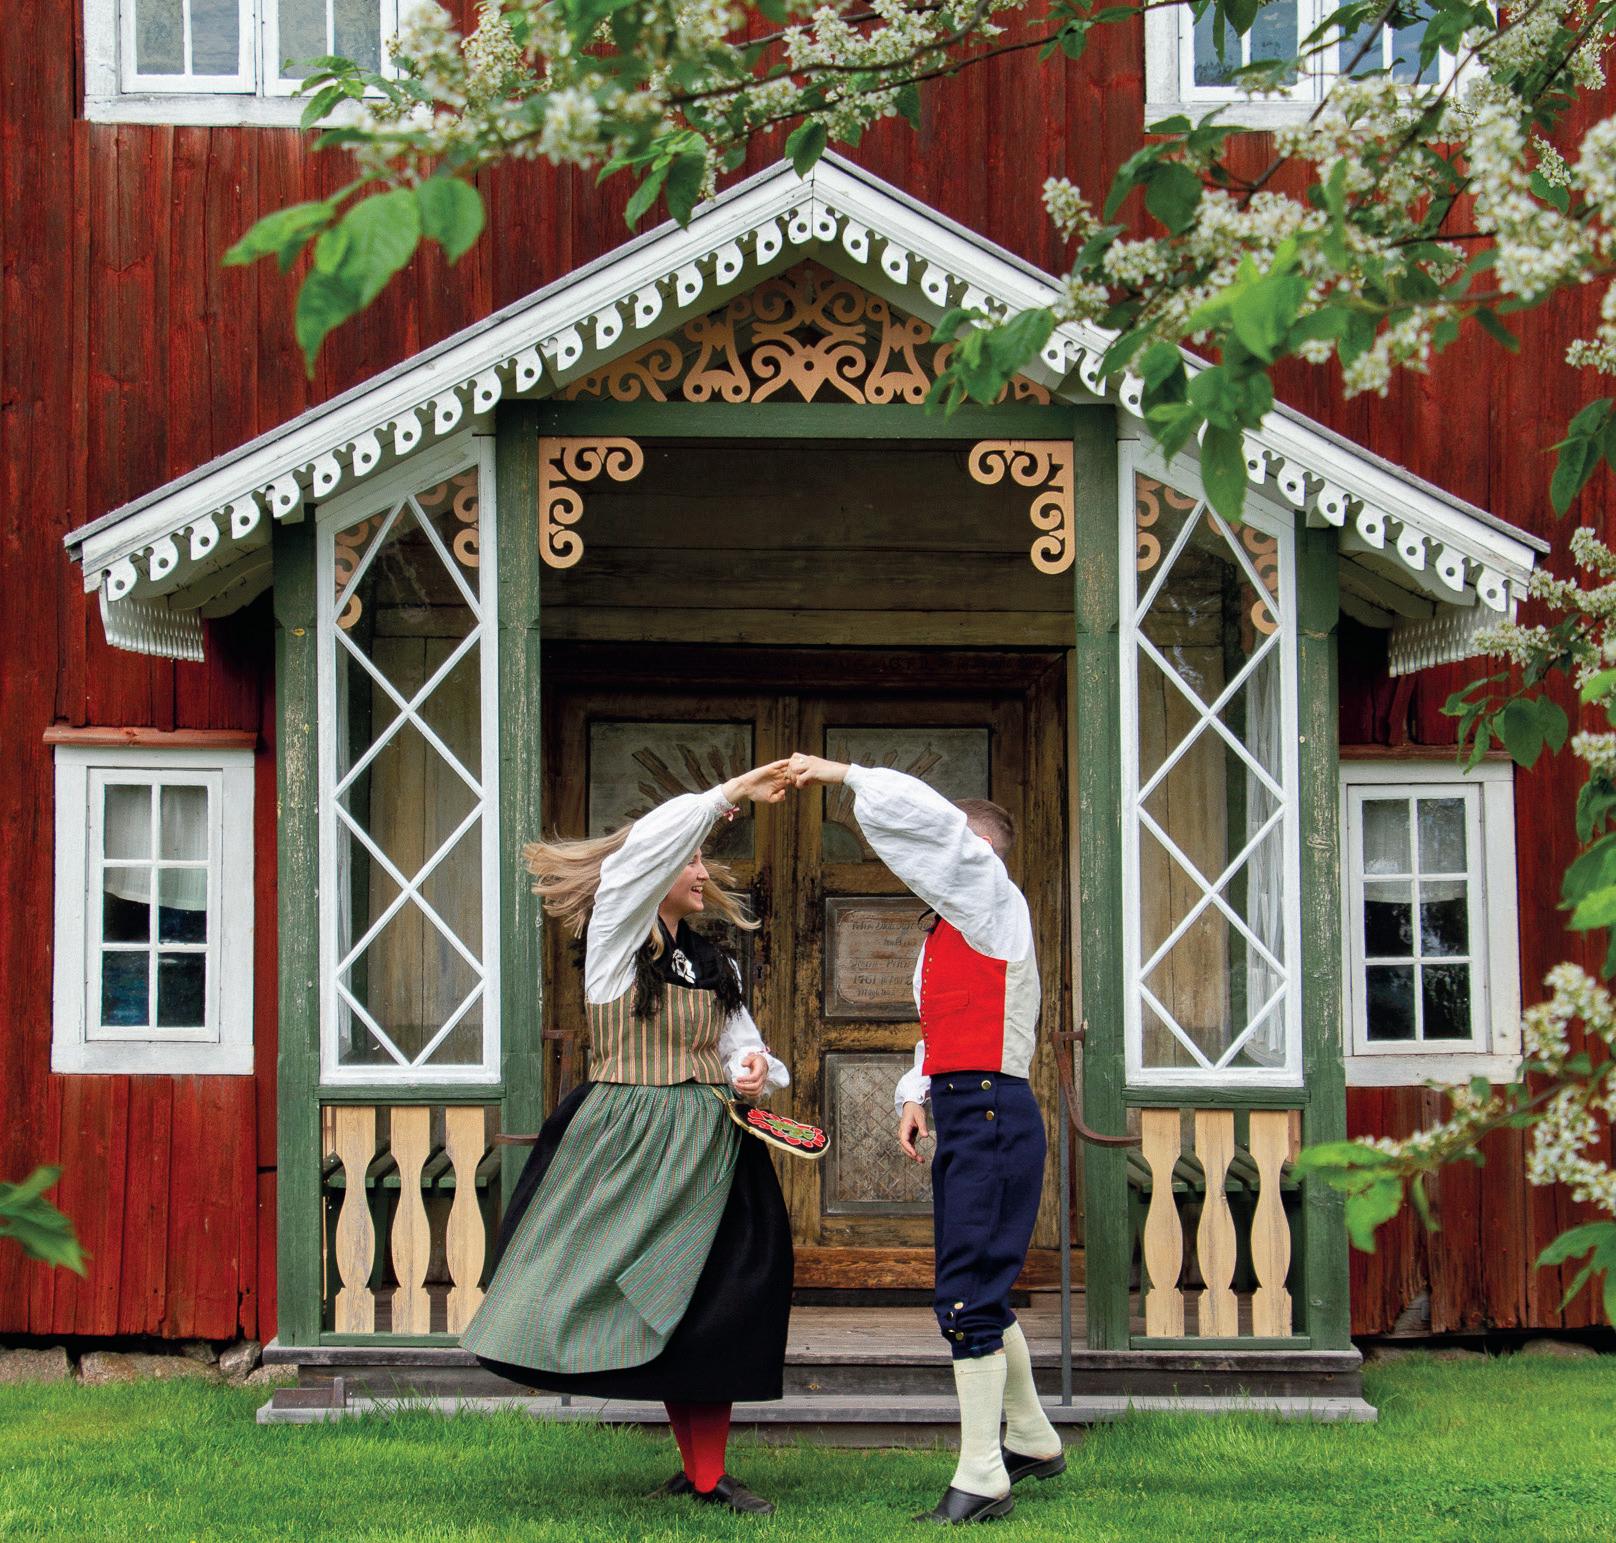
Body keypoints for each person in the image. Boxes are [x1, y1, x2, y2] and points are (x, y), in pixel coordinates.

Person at [461, 762, 794, 1516]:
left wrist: (754, 1069)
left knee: (718, 1299)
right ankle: (703, 1473)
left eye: (702, 859)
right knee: (642, 1296)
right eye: (691, 859)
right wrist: (725, 796)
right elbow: (645, 849)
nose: (703, 873)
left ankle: (705, 1471)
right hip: (629, 1149)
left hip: (714, 1150)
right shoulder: (614, 938)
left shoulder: (712, 962)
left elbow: (747, 1048)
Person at [788, 752, 1065, 1525]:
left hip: (992, 1112)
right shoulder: (949, 929)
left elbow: (930, 826)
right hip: (966, 1109)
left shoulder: (992, 897)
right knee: (977, 1284)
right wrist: (915, 1092)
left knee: (967, 1292)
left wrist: (837, 771)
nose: (936, 863)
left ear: (980, 852)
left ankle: (983, 1475)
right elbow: (940, 1030)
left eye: (956, 848)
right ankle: (1033, 1438)